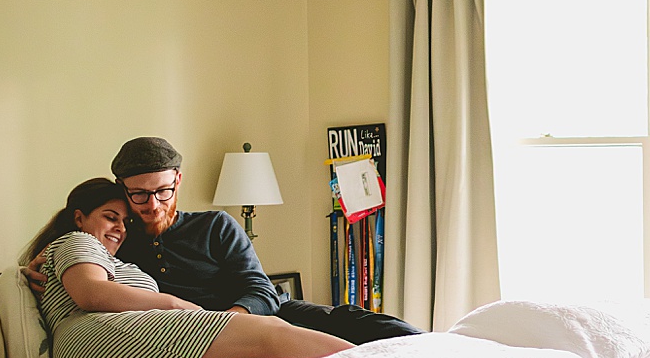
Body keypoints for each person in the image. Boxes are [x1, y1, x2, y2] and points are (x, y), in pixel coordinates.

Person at [28, 137, 422, 345]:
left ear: (178, 180)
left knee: (368, 327)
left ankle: (440, 350)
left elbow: (261, 289)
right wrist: (40, 261)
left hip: (264, 317)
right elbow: (81, 250)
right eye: (139, 195)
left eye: (163, 191)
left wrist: (229, 322)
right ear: (124, 190)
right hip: (197, 341)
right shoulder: (118, 240)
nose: (152, 204)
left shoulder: (216, 225)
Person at [29, 178, 354, 358]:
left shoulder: (86, 252)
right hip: (98, 345)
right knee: (268, 335)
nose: (120, 228)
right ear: (78, 217)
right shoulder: (78, 240)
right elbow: (90, 292)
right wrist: (173, 303)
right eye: (110, 218)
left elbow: (258, 287)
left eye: (125, 221)